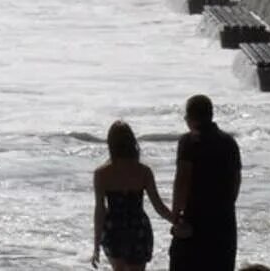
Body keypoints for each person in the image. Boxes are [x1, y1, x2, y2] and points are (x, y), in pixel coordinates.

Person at [90, 121, 176, 270]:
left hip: (114, 228)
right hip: (138, 228)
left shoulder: (102, 173)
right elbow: (158, 206)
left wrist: (96, 245)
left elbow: (100, 210)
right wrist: (177, 221)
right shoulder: (143, 171)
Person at [170, 93, 240, 271]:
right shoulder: (229, 142)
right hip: (223, 221)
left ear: (191, 118)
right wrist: (225, 205)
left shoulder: (189, 142)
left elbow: (182, 180)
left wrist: (176, 215)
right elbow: (236, 181)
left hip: (195, 219)